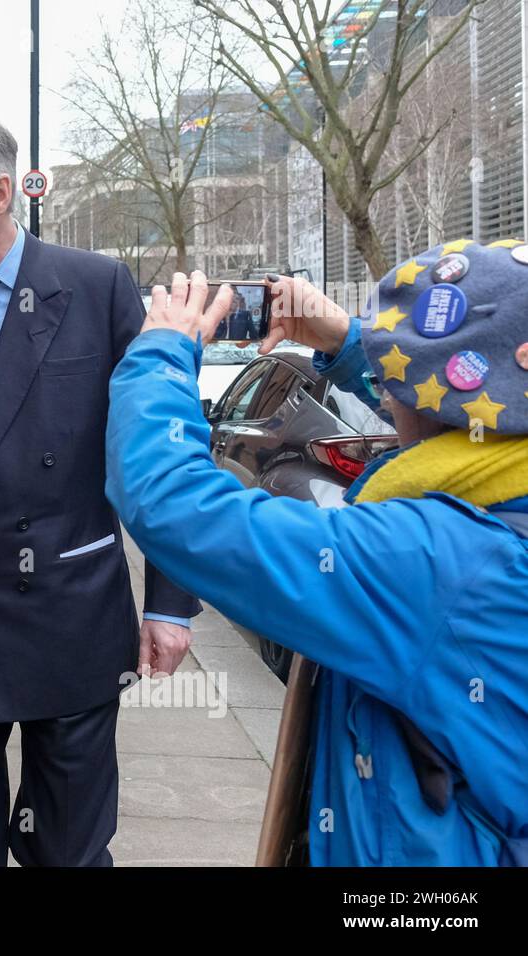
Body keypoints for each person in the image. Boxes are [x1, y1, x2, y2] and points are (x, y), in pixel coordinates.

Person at [106, 244, 528, 864]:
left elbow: (175, 507)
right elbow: (468, 388)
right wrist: (356, 342)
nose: (385, 399)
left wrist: (161, 358)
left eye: (392, 384)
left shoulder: (434, 561)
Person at [0, 104, 201, 867]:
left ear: (0, 192)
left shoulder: (96, 287)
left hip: (72, 617)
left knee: (68, 849)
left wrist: (171, 604)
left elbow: (164, 458)